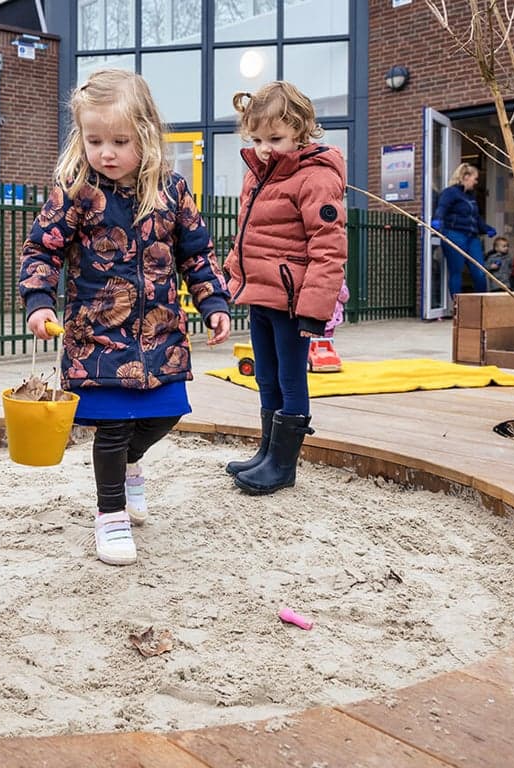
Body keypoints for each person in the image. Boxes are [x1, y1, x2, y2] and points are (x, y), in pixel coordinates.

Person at [19, 68, 232, 567]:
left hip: (160, 333)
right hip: (98, 336)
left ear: (148, 135)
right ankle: (110, 515)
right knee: (112, 429)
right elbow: (41, 249)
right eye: (94, 140)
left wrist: (214, 303)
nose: (106, 152)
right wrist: (39, 300)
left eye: (120, 140)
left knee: (167, 413)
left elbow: (196, 255)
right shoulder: (76, 190)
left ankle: (131, 465)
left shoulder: (173, 191)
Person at [223, 81, 347, 495]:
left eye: (275, 138)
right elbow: (248, 235)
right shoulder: (258, 176)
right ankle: (266, 451)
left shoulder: (315, 178)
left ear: (300, 131)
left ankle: (283, 465)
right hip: (262, 294)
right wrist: (234, 276)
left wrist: (315, 308)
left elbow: (328, 248)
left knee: (292, 379)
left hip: (293, 302)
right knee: (266, 375)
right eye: (257, 138)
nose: (264, 148)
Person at [431, 162, 496, 301]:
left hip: (472, 238)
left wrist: (486, 228)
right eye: (475, 178)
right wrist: (437, 220)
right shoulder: (450, 192)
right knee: (456, 272)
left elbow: (476, 218)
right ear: (465, 176)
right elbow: (442, 208)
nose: (476, 182)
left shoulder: (471, 197)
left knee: (479, 272)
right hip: (454, 235)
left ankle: (482, 306)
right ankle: (457, 308)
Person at [308, 278, 349, 373]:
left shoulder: (338, 280)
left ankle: (326, 358)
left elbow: (344, 297)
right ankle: (314, 357)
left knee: (326, 338)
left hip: (329, 314)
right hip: (319, 313)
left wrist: (340, 287)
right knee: (315, 338)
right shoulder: (315, 278)